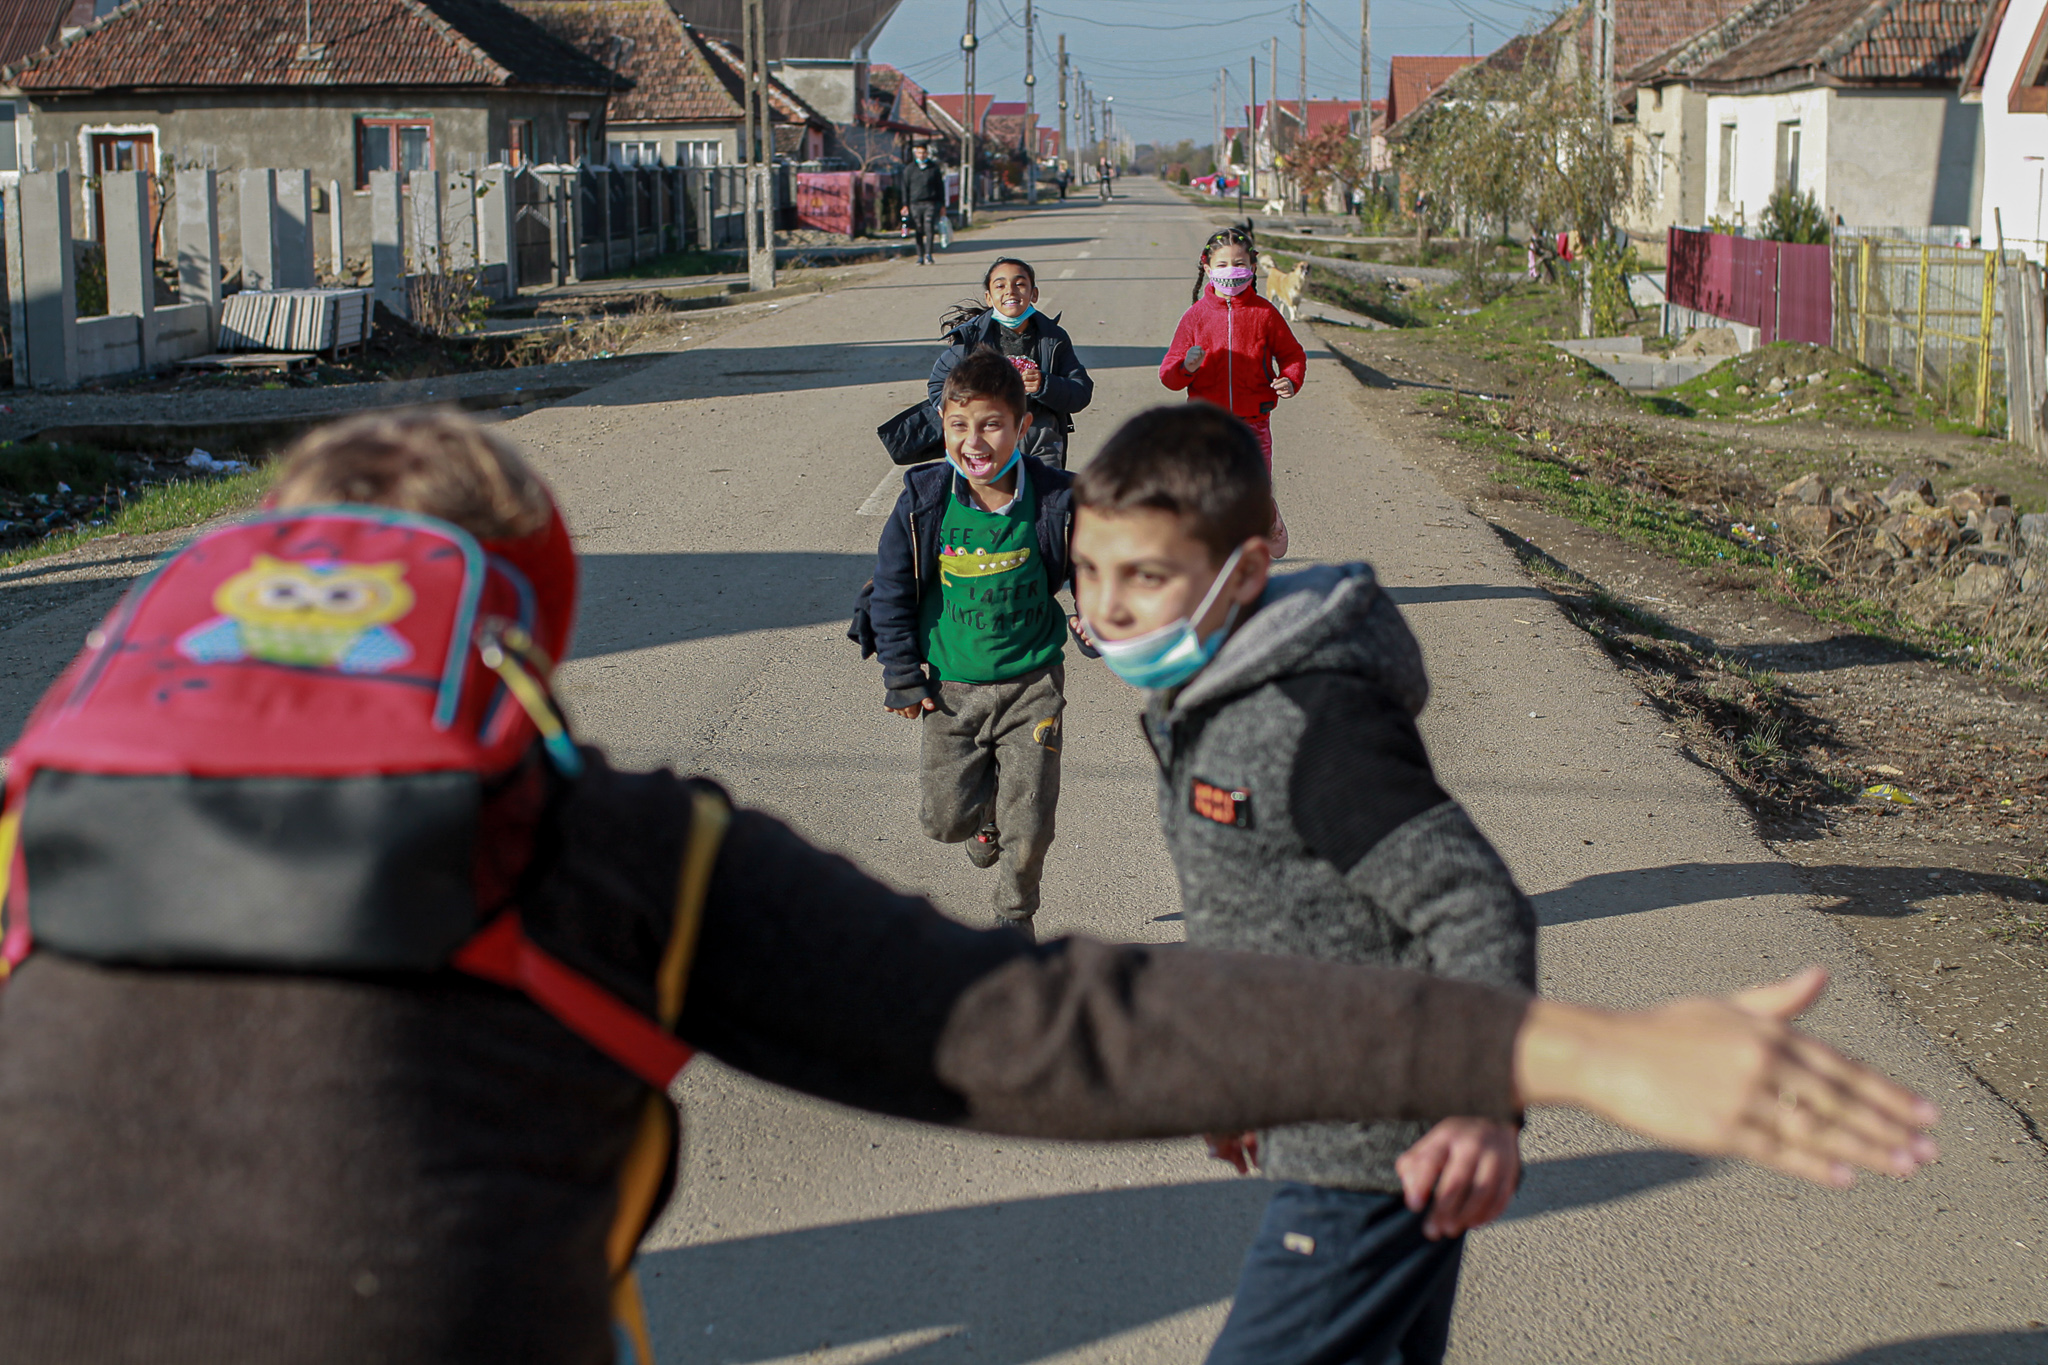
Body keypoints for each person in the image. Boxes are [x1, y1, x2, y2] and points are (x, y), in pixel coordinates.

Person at [0, 414, 1943, 1363]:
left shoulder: (28, 830)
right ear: (516, 624)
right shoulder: (605, 844)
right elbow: (1037, 1028)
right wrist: (1566, 1048)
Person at [1072, 404, 1531, 1365]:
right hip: (1331, 1120)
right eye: (1088, 570)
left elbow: (1476, 904)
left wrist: (1483, 1103)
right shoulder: (1205, 697)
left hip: (1377, 1145)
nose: (1106, 606)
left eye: (1145, 575)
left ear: (1243, 573)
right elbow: (1263, 918)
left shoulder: (1311, 723)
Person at [870, 351, 1071, 939]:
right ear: (942, 423)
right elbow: (890, 590)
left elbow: (1096, 569)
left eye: (991, 425)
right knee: (943, 821)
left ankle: (1015, 917)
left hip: (1034, 683)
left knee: (1030, 821)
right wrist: (902, 675)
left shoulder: (1056, 498)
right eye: (959, 425)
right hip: (950, 688)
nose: (974, 441)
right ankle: (984, 818)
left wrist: (1098, 618)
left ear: (1023, 426)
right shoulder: (926, 499)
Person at [1160, 224, 1307, 557]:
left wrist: (1290, 379)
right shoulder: (1195, 317)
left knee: (1251, 493)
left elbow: (1293, 355)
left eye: (1239, 263)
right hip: (1207, 425)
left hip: (1254, 422)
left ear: (1253, 266)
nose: (1231, 271)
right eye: (1223, 264)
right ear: (1207, 267)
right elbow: (1168, 374)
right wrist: (1187, 367)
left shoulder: (1265, 314)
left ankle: (1265, 515)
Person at [929, 257, 1093, 470]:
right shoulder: (972, 340)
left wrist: (1045, 384)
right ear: (989, 298)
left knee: (1045, 490)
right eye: (1000, 285)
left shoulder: (1053, 338)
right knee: (990, 491)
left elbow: (1081, 392)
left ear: (1034, 294)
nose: (1010, 291)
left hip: (1040, 440)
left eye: (1020, 284)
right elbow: (938, 387)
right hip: (985, 441)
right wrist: (964, 413)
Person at [901, 141, 947, 266]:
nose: (921, 155)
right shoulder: (909, 169)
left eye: (924, 152)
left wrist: (942, 205)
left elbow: (940, 187)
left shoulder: (933, 168)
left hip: (930, 202)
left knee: (929, 227)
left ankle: (929, 255)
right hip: (914, 204)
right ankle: (920, 256)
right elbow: (905, 188)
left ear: (927, 153)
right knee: (919, 229)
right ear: (916, 153)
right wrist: (905, 205)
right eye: (919, 152)